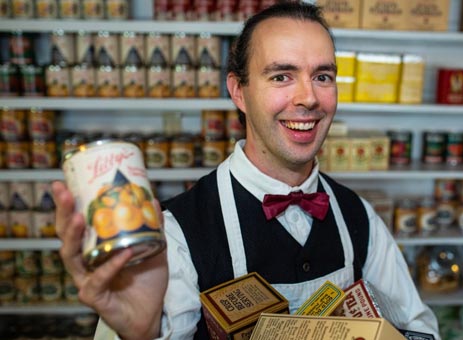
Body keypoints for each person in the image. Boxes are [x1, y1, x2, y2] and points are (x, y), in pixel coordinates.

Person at [52, 2, 440, 339]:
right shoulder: (175, 232)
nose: (308, 98)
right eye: (281, 76)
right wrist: (141, 336)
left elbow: (420, 328)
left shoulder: (359, 216)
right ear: (239, 91)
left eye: (322, 76)